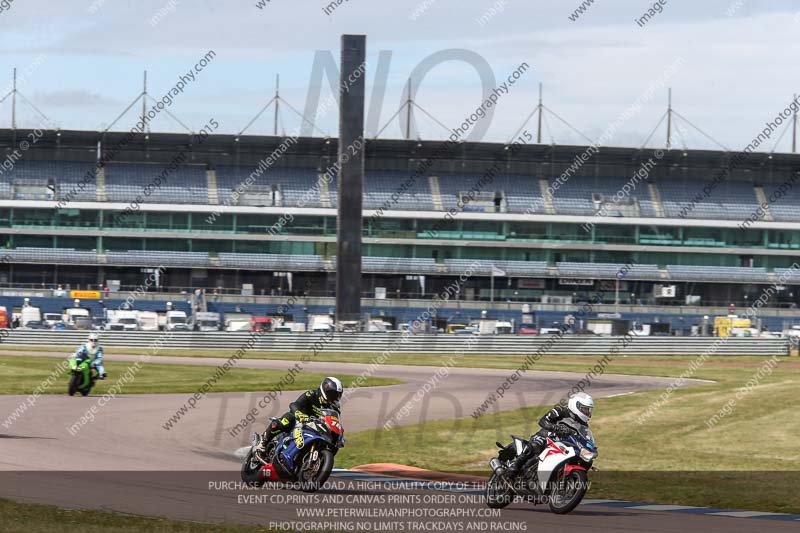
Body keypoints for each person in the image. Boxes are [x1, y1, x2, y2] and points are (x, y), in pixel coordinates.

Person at [507, 392, 594, 475]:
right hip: (546, 436)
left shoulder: (583, 425)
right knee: (536, 445)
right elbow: (543, 421)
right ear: (576, 406)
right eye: (585, 409)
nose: (587, 412)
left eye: (589, 410)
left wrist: (590, 448)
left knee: (587, 460)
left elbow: (584, 438)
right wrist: (556, 428)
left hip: (564, 445)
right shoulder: (560, 411)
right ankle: (515, 466)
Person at [267, 377, 343, 439]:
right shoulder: (312, 394)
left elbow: (335, 421)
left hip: (315, 427)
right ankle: (262, 444)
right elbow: (294, 404)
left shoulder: (335, 407)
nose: (334, 397)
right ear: (325, 389)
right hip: (298, 421)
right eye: (333, 394)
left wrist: (339, 432)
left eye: (337, 395)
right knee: (287, 419)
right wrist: (299, 414)